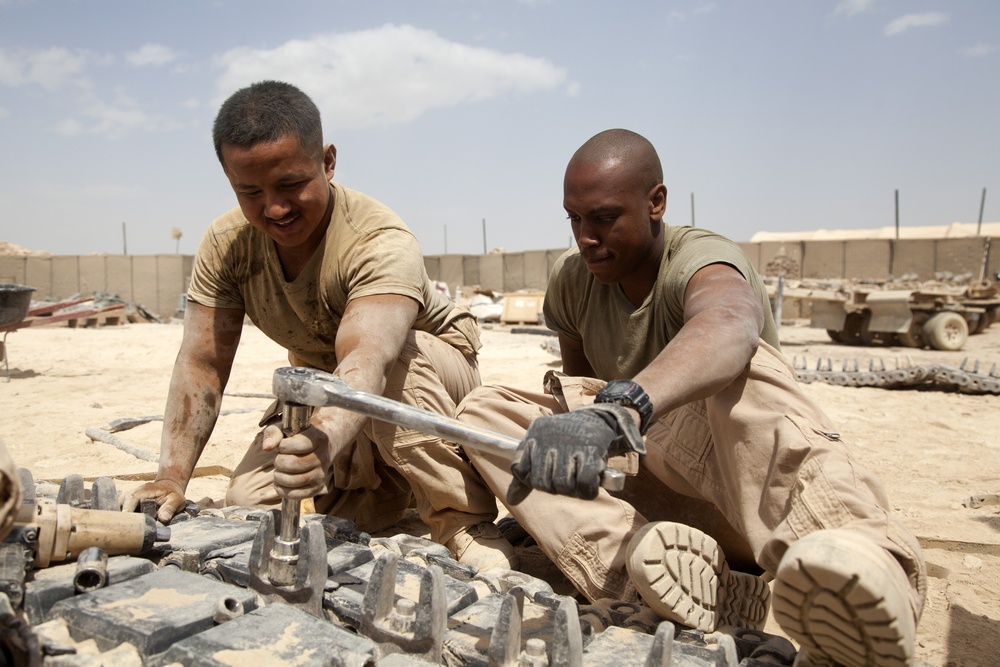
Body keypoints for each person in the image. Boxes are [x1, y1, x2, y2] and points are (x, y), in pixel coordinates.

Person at [455, 129, 926, 666]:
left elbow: (727, 322)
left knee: (742, 372)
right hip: (659, 517)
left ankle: (868, 562)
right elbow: (579, 395)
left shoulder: (700, 259)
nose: (586, 236)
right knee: (486, 411)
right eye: (574, 219)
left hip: (742, 498)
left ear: (656, 202)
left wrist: (623, 408)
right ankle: (641, 575)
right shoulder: (574, 279)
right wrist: (553, 485)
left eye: (604, 217)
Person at [122, 80, 514, 572]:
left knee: (394, 371)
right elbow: (202, 362)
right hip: (331, 389)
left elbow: (368, 357)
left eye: (290, 184)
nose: (276, 208)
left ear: (328, 161)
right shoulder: (227, 245)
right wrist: (172, 477)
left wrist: (324, 440)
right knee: (250, 498)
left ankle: (463, 521)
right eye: (251, 192)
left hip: (425, 377)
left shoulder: (377, 238)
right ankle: (397, 479)